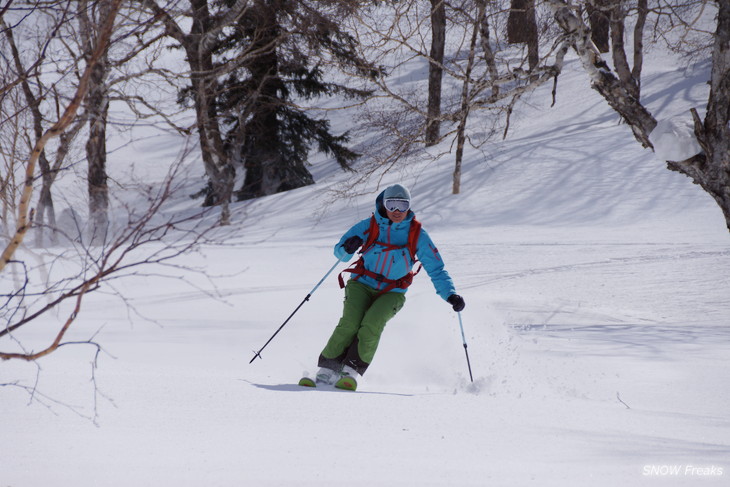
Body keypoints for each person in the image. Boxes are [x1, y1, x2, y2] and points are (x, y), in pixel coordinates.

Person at [304, 183, 465, 391]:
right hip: (361, 284)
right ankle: (327, 368)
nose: (397, 211)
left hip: (392, 291)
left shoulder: (417, 235)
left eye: (402, 205)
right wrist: (348, 247)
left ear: (409, 206)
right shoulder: (369, 225)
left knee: (372, 324)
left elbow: (436, 268)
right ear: (384, 205)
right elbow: (340, 254)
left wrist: (450, 295)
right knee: (350, 323)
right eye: (392, 205)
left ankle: (351, 370)